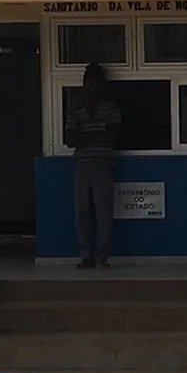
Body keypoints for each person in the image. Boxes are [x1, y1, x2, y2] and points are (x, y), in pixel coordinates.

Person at [65, 60, 123, 268]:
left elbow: (111, 135)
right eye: (89, 80)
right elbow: (70, 138)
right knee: (82, 211)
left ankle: (102, 257)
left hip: (103, 164)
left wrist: (84, 138)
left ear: (102, 83)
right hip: (81, 165)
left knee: (103, 212)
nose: (92, 85)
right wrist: (97, 137)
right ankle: (86, 256)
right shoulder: (75, 109)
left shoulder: (111, 108)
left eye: (96, 80)